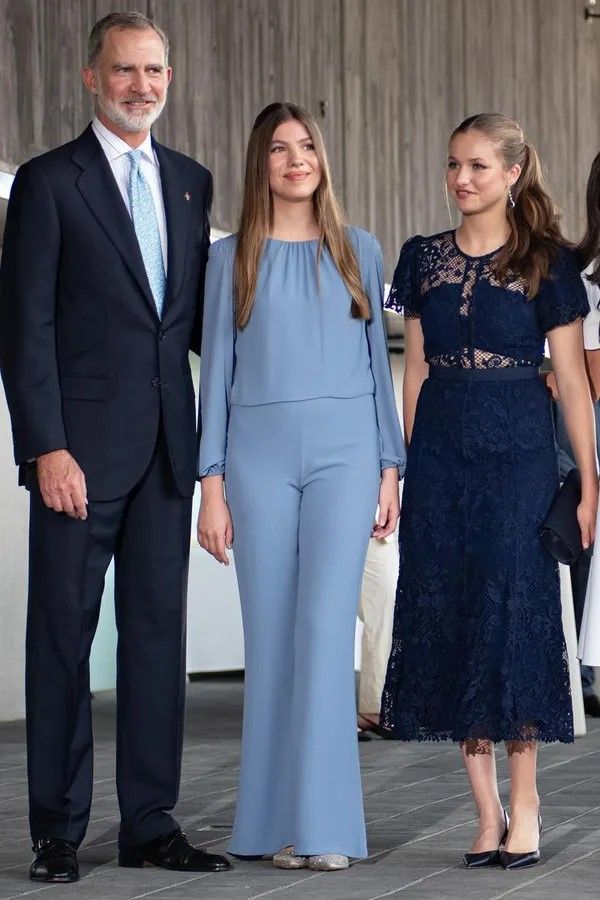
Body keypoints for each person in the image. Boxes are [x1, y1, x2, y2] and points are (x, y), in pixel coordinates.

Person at [0, 12, 230, 883]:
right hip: (79, 460)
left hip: (169, 447)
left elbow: (193, 321)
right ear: (92, 78)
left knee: (156, 639)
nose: (143, 85)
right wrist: (45, 448)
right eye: (126, 70)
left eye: (156, 70)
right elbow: (25, 329)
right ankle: (56, 831)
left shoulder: (190, 182)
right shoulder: (51, 184)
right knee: (62, 635)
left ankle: (150, 822)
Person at [381, 113, 597, 872]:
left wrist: (589, 482)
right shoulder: (421, 258)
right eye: (453, 165)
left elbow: (571, 381)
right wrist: (403, 468)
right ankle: (484, 810)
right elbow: (412, 370)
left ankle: (528, 800)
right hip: (440, 453)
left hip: (519, 456)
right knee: (451, 614)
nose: (461, 178)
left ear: (511, 173)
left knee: (514, 616)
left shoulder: (550, 262)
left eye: (477, 165)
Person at [197, 101, 404, 871]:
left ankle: (324, 829)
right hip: (256, 458)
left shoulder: (360, 250)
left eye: (307, 145)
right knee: (274, 639)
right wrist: (210, 482)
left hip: (348, 457)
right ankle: (273, 825)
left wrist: (390, 466)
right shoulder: (229, 259)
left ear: (322, 157)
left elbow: (376, 372)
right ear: (262, 164)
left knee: (323, 634)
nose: (295, 159)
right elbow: (215, 374)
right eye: (280, 149)